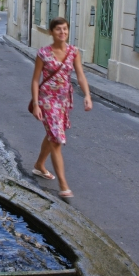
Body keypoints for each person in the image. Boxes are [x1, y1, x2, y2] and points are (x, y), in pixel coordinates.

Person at [30, 17, 93, 198]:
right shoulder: (43, 53)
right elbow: (35, 80)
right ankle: (64, 186)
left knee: (53, 134)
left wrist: (87, 96)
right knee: (57, 139)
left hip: (64, 100)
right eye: (58, 29)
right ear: (51, 32)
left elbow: (80, 75)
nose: (62, 32)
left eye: (65, 29)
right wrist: (36, 104)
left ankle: (39, 166)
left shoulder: (74, 52)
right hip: (47, 100)